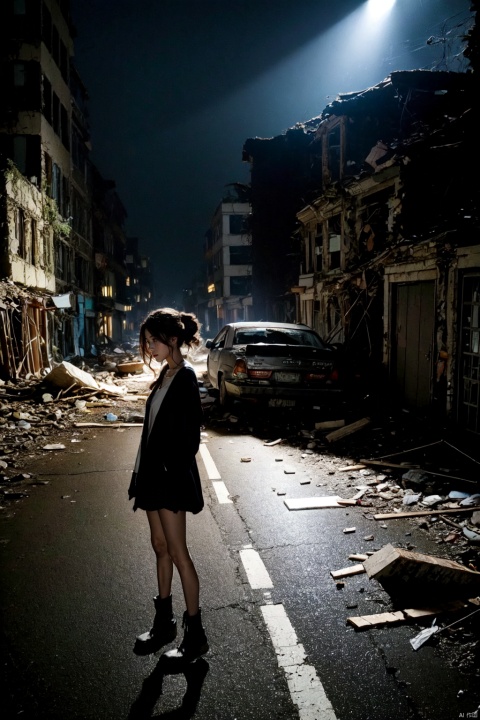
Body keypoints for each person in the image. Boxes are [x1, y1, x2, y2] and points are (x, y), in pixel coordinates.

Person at [128, 308, 208, 662]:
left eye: (153, 340)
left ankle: (196, 636)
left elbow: (190, 439)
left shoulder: (186, 378)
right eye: (147, 341)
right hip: (151, 477)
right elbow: (151, 430)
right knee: (159, 546)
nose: (150, 347)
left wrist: (165, 468)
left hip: (169, 480)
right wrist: (141, 471)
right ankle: (165, 625)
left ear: (173, 339)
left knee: (178, 552)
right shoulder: (165, 374)